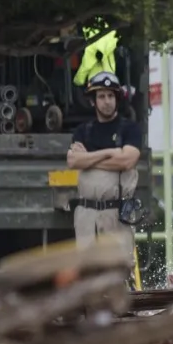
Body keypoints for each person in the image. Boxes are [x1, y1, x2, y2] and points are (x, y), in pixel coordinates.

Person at [66, 71, 142, 275]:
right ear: (93, 101)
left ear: (117, 99)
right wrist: (110, 153)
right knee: (87, 273)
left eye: (111, 96)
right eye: (101, 96)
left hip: (116, 213)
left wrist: (89, 160)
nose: (107, 101)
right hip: (86, 214)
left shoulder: (130, 129)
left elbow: (127, 160)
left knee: (118, 272)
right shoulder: (83, 131)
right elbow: (73, 160)